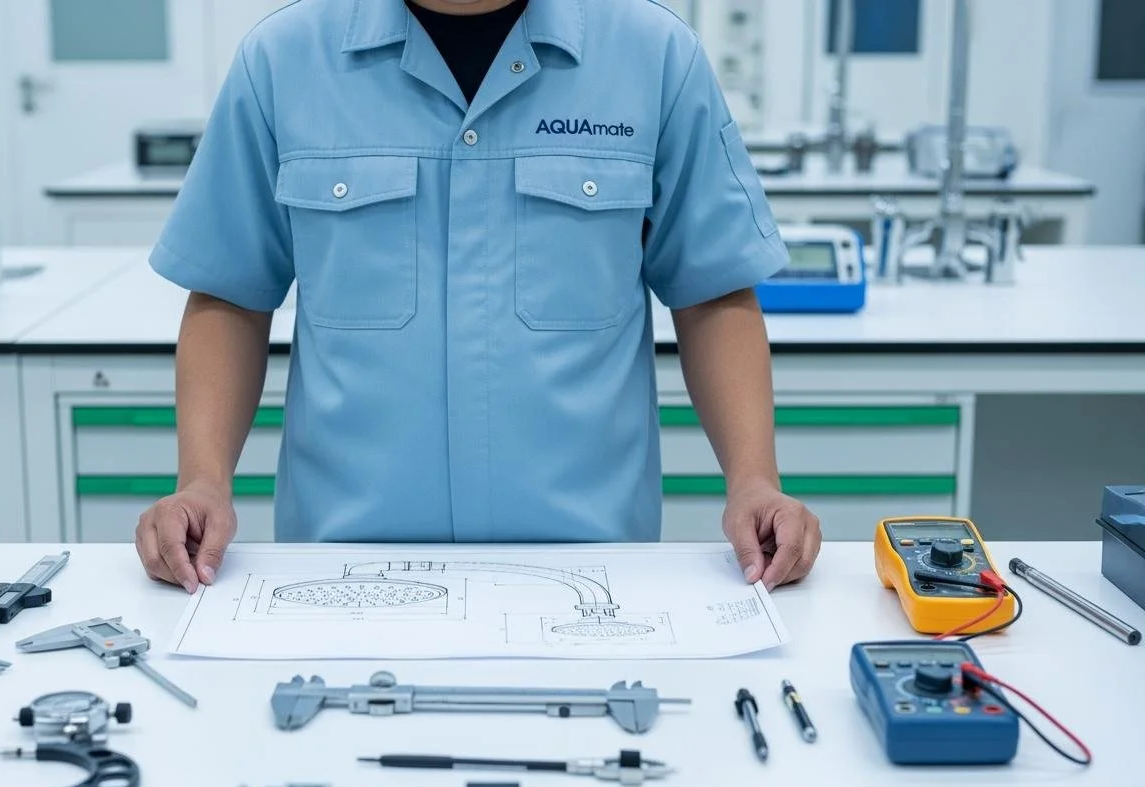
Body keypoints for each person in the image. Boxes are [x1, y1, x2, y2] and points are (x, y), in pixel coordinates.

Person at [136, 0, 822, 595]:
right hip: (340, 571)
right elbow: (230, 297)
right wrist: (202, 481)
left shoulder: (652, 56)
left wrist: (753, 481)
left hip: (598, 572)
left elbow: (712, 296)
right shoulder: (285, 60)